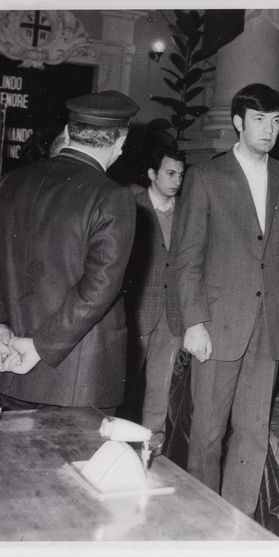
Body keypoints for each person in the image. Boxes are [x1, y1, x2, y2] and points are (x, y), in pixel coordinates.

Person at [173, 83, 279, 516]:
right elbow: (187, 257)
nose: (269, 130)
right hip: (217, 323)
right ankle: (202, 522)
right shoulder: (206, 176)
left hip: (268, 323)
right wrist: (194, 322)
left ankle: (237, 526)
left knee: (253, 433)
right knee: (208, 433)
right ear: (238, 123)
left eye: (276, 121)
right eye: (259, 120)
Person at [0, 90, 139, 410]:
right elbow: (99, 287)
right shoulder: (113, 196)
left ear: (68, 133)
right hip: (77, 381)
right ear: (121, 142)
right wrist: (40, 346)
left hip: (7, 365)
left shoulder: (9, 182)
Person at [122, 147, 186, 449]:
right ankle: (116, 446)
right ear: (152, 174)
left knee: (160, 388)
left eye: (180, 175)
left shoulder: (187, 211)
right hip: (136, 310)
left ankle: (152, 450)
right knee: (123, 385)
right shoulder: (131, 205)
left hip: (172, 313)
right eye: (170, 174)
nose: (177, 181)